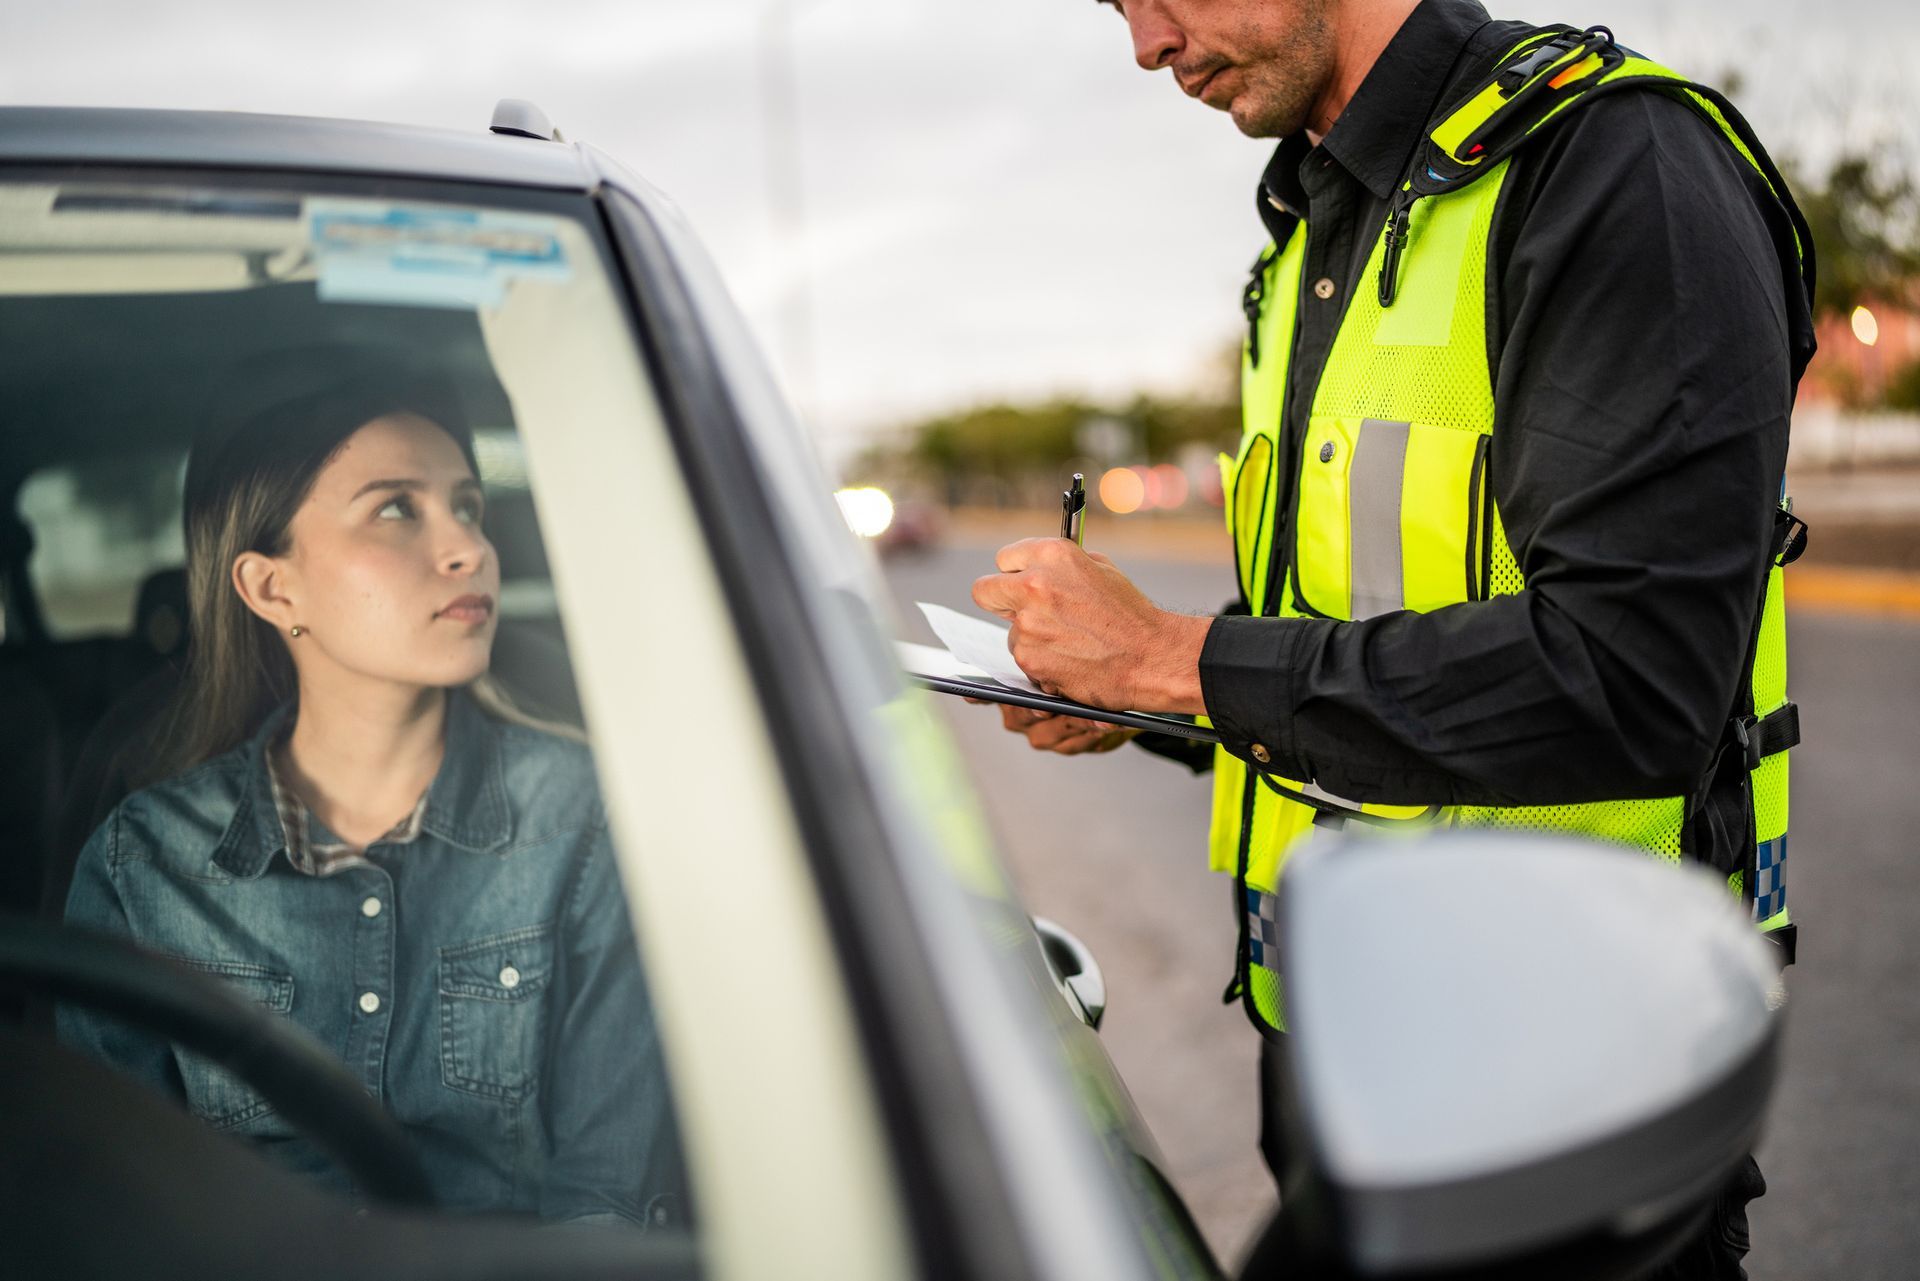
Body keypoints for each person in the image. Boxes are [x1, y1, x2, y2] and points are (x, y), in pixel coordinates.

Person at [972, 2, 1814, 1276]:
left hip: (1560, 1112)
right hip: (1337, 1080)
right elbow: (1356, 646)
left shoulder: (1607, 164)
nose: (1146, 42)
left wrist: (1176, 660)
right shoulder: (1320, 226)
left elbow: (1631, 678)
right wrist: (1152, 696)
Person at [56, 364, 686, 1229]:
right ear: (274, 588)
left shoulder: (585, 820)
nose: (469, 548)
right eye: (397, 508)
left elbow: (606, 1206)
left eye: (468, 505)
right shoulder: (145, 866)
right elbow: (115, 1216)